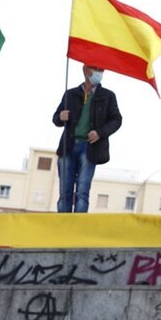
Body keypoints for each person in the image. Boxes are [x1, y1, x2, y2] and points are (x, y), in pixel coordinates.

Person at [51, 64, 122, 213]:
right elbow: (56, 119)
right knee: (65, 192)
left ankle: (77, 228)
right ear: (85, 70)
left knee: (82, 191)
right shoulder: (70, 94)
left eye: (102, 69)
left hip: (90, 149)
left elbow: (117, 120)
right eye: (96, 69)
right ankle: (62, 226)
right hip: (68, 147)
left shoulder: (108, 96)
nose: (100, 72)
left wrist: (100, 132)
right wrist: (60, 117)